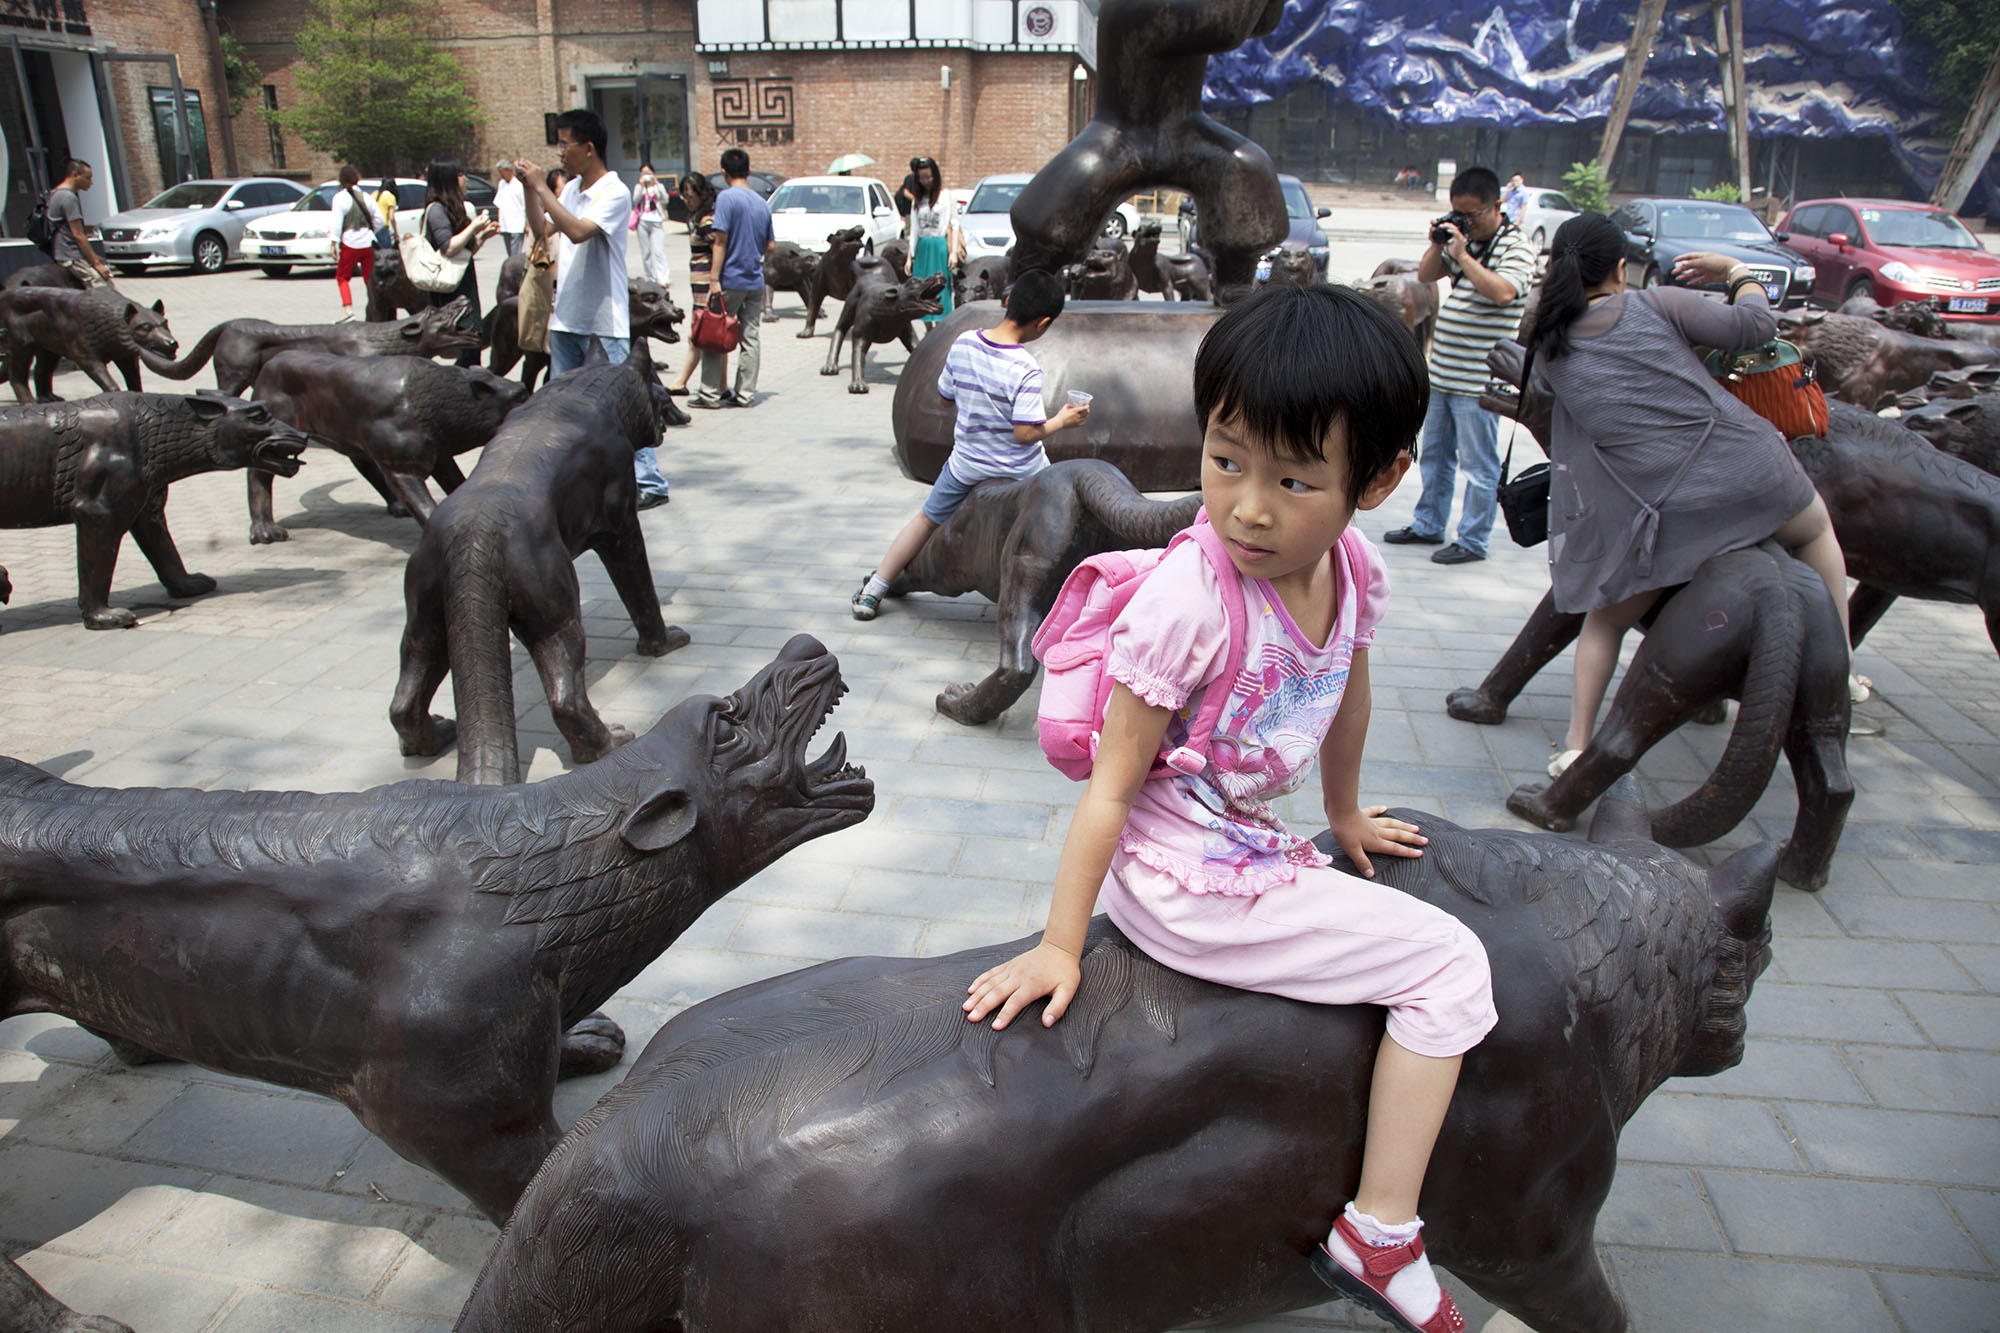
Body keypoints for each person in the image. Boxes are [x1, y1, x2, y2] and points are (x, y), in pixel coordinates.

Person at [963, 284, 1493, 1333]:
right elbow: (1110, 788)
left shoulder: (1348, 567)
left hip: (1244, 841)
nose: (1247, 505)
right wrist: (1059, 945)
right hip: (1179, 878)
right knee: (1449, 964)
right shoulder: (1189, 601)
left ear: (1378, 482)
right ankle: (1379, 1236)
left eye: (1292, 478)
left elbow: (1347, 689)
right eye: (1224, 459)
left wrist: (1341, 814)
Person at [1525, 213, 1854, 777]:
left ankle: (1577, 746)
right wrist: (1736, 271)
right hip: (1752, 477)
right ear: (1622, 269)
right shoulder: (1655, 304)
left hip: (1663, 511)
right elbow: (1755, 327)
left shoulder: (1546, 340)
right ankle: (1839, 671)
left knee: (1603, 622)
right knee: (1818, 530)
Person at [850, 269, 1090, 619]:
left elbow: (945, 398)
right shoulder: (1025, 368)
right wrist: (1063, 420)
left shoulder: (963, 343)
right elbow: (1024, 434)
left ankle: (875, 588)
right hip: (1020, 472)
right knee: (1063, 514)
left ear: (1007, 302)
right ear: (1043, 323)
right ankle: (1075, 597)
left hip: (967, 464)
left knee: (925, 520)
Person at [518, 108, 670, 508]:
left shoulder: (615, 192)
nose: (560, 152)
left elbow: (578, 231)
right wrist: (529, 191)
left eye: (565, 144)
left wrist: (542, 187)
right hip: (568, 314)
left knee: (623, 402)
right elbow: (542, 230)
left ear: (588, 148)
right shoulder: (569, 190)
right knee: (561, 405)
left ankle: (649, 481)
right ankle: (572, 477)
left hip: (605, 318)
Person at [1383, 166, 1535, 566]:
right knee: (1433, 456)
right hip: (1444, 374)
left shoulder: (1515, 246)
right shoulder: (1463, 242)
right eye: (1459, 213)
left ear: (1497, 206)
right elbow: (1426, 275)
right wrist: (1440, 242)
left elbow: (1503, 293)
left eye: (1473, 214)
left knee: (1479, 467)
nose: (1466, 222)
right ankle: (1429, 523)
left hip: (1480, 381)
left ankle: (1473, 539)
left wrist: (1463, 254)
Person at [691, 147, 774, 411]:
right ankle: (745, 393)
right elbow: (770, 246)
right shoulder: (762, 203)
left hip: (730, 279)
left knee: (714, 335)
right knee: (750, 338)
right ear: (749, 171)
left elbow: (720, 240)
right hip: (755, 280)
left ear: (724, 173)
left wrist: (714, 278)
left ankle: (709, 394)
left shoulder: (727, 199)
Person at [420, 158, 498, 368]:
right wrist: (473, 227)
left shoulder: (454, 208)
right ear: (450, 180)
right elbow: (449, 247)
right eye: (461, 175)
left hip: (464, 284)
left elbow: (465, 252)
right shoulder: (436, 210)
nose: (465, 179)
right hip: (450, 290)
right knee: (468, 341)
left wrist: (483, 236)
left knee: (472, 341)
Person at [665, 172, 719, 397]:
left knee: (697, 336)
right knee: (711, 338)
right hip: (699, 286)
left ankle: (681, 381)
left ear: (702, 194)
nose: (687, 201)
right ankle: (721, 385)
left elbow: (719, 247)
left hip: (706, 287)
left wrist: (715, 280)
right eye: (684, 197)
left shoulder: (707, 221)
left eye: (691, 196)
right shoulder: (697, 218)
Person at [904, 156, 961, 328]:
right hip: (922, 247)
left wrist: (954, 252)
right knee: (922, 290)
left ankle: (941, 329)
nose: (926, 181)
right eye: (922, 178)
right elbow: (913, 230)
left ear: (935, 176)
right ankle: (928, 330)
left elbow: (954, 224)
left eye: (929, 177)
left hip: (939, 246)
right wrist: (909, 257)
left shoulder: (946, 196)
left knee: (941, 288)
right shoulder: (917, 200)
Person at [45, 159, 113, 288]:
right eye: (87, 178)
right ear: (74, 175)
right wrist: (96, 263)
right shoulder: (68, 198)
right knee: (102, 287)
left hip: (64, 253)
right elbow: (78, 235)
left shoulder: (55, 194)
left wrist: (95, 257)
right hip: (70, 255)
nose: (91, 182)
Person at [332, 163, 386, 321]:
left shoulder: (340, 198)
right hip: (368, 242)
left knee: (342, 277)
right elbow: (380, 220)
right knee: (370, 278)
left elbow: (336, 222)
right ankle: (376, 308)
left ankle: (348, 311)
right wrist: (370, 231)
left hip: (350, 242)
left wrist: (334, 242)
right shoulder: (367, 197)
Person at [632, 164, 670, 285]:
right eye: (643, 173)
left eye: (648, 173)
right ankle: (650, 278)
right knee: (646, 252)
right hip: (643, 221)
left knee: (659, 251)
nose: (646, 176)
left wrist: (656, 184)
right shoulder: (639, 187)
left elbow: (665, 198)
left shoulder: (658, 186)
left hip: (656, 221)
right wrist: (641, 186)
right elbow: (635, 200)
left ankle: (663, 279)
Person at [493, 159, 527, 257]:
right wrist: (499, 222)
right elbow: (499, 203)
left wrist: (527, 224)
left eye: (502, 172)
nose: (501, 175)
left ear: (508, 170)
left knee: (515, 254)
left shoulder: (519, 184)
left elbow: (525, 204)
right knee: (510, 254)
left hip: (517, 224)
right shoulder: (501, 184)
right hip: (505, 224)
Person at [374, 177, 400, 247]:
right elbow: (391, 217)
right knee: (386, 252)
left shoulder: (374, 194)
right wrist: (396, 233)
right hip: (383, 228)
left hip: (372, 228)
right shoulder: (390, 197)